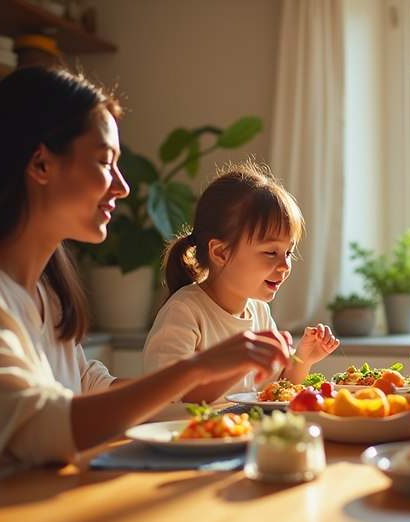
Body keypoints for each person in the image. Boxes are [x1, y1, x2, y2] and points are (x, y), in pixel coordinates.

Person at [0, 67, 291, 522]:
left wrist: (204, 384)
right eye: (105, 161)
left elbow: (89, 388)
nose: (122, 186)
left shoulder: (45, 292)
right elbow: (39, 429)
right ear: (41, 163)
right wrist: (195, 367)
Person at [142, 161, 339, 404]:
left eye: (288, 253)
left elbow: (277, 389)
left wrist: (303, 359)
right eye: (270, 253)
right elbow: (165, 401)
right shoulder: (184, 312)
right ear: (221, 252)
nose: (285, 266)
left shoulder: (260, 312)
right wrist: (239, 365)